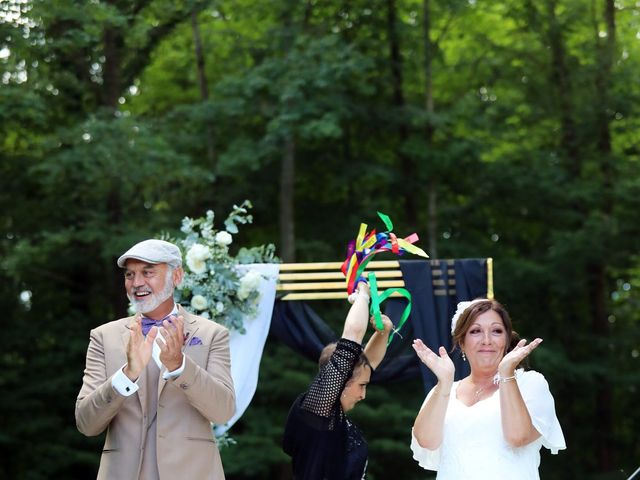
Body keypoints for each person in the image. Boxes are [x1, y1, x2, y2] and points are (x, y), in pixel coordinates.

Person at [75, 239, 236, 480]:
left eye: (147, 273)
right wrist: (126, 375)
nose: (137, 283)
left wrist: (180, 366)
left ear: (177, 276)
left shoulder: (211, 334)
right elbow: (86, 423)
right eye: (130, 275)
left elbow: (223, 411)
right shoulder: (103, 337)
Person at [411, 298, 565, 480]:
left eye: (496, 331)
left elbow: (518, 437)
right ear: (461, 342)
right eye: (476, 331)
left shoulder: (530, 383)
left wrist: (506, 373)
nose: (487, 340)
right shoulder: (446, 391)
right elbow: (426, 441)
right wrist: (444, 382)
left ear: (507, 340)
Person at [282, 281, 393, 479]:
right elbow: (351, 337)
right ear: (340, 380)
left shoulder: (334, 417)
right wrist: (364, 292)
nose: (363, 395)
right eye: (361, 386)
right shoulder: (318, 410)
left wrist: (383, 332)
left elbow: (369, 363)